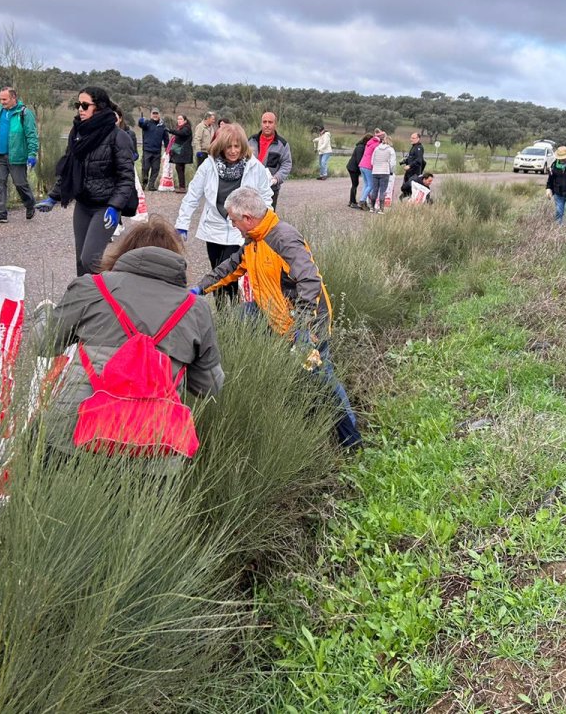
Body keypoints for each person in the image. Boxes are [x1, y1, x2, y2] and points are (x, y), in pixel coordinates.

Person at [35, 215, 223, 462]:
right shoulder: (195, 308)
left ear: (123, 251)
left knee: (39, 457)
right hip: (154, 450)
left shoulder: (92, 287)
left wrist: (44, 312)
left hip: (73, 435)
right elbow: (209, 387)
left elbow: (45, 342)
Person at [195, 188, 362, 450]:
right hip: (275, 317)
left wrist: (304, 330)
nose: (232, 224)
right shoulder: (254, 240)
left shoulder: (283, 239)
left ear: (248, 218)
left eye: (233, 219)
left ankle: (352, 442)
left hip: (306, 324)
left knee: (321, 380)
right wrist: (199, 289)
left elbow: (309, 280)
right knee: (242, 316)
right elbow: (232, 267)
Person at [174, 122, 273, 290]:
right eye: (229, 147)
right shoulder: (208, 166)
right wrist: (182, 223)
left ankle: (233, 310)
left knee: (230, 274)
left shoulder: (255, 167)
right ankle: (221, 313)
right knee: (216, 275)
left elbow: (266, 197)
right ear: (221, 146)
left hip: (239, 230)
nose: (233, 151)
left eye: (237, 146)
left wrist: (267, 226)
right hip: (213, 229)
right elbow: (193, 195)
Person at [56, 87, 137, 276]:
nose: (80, 109)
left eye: (85, 105)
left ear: (99, 107)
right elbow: (68, 167)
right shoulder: (78, 134)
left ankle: (110, 295)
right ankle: (84, 300)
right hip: (83, 204)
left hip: (105, 207)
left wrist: (115, 206)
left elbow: (126, 178)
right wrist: (53, 196)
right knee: (80, 263)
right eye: (78, 105)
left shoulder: (119, 137)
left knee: (90, 260)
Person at [0, 86, 39, 223]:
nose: (2, 102)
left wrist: (32, 154)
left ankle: (30, 204)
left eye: (5, 99)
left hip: (17, 156)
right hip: (0, 156)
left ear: (13, 98)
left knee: (20, 184)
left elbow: (31, 135)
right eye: (0, 99)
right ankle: (0, 213)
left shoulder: (24, 113)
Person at [248, 111, 292, 209]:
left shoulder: (283, 144)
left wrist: (276, 178)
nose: (267, 125)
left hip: (271, 189)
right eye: (264, 122)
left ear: (275, 124)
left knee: (268, 218)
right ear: (261, 123)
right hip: (251, 188)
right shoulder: (251, 140)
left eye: (270, 122)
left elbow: (286, 164)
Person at [137, 107, 168, 191]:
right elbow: (141, 124)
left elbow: (166, 138)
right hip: (147, 150)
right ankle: (144, 183)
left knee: (155, 169)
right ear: (151, 115)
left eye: (156, 114)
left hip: (157, 152)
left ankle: (151, 186)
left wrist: (167, 149)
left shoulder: (162, 126)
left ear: (159, 115)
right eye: (153, 114)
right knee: (145, 168)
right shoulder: (147, 123)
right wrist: (140, 121)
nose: (155, 115)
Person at [366, 131, 396, 213]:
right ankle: (381, 209)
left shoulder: (377, 148)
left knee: (375, 189)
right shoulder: (390, 150)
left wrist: (375, 167)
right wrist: (391, 171)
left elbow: (372, 161)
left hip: (375, 171)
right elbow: (392, 163)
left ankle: (372, 207)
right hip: (385, 172)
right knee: (383, 190)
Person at [167, 114, 194, 192]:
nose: (179, 120)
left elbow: (181, 133)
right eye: (178, 119)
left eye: (181, 119)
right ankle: (182, 186)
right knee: (180, 168)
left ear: (185, 121)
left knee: (179, 167)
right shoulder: (180, 128)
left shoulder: (186, 128)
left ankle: (182, 187)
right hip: (179, 150)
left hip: (183, 151)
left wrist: (170, 130)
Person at [357, 129, 381, 211]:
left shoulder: (369, 143)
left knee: (366, 184)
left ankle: (362, 200)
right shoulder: (377, 145)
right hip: (368, 166)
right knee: (370, 185)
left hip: (362, 165)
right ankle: (362, 201)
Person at [399, 131, 425, 199]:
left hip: (414, 173)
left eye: (413, 138)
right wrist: (404, 161)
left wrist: (409, 166)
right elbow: (411, 158)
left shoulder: (419, 148)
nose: (411, 139)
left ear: (418, 138)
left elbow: (419, 160)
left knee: (410, 189)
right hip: (409, 173)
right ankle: (406, 202)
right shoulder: (413, 147)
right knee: (405, 188)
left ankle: (411, 203)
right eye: (411, 138)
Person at [345, 133, 368, 209]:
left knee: (355, 184)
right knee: (355, 184)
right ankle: (352, 202)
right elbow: (359, 160)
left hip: (353, 167)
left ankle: (352, 201)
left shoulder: (360, 146)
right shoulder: (360, 147)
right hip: (353, 168)